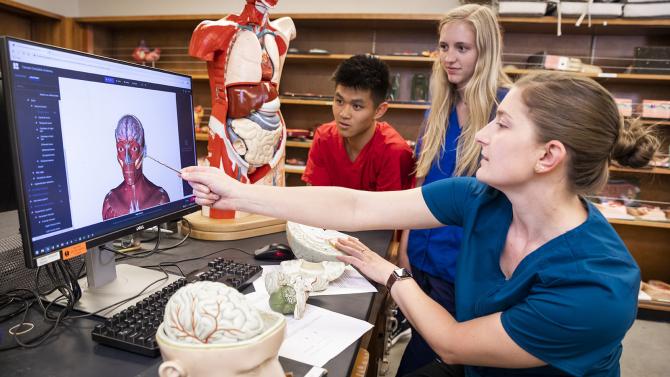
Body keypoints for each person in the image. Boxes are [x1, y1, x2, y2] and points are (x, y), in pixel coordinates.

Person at [182, 71, 659, 376]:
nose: (484, 135)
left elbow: (453, 344)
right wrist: (239, 191)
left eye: (503, 124)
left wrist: (391, 274)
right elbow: (357, 208)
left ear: (548, 156)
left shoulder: (597, 287)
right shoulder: (479, 199)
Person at [396, 5, 511, 373]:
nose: (449, 57)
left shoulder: (506, 108)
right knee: (422, 342)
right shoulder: (440, 107)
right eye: (444, 46)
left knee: (442, 357)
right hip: (425, 257)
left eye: (462, 48)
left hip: (468, 263)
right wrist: (405, 242)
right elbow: (422, 181)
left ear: (485, 51)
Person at [189, 0, 296, 219]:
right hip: (234, 136)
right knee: (224, 213)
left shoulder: (280, 31)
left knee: (272, 215)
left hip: (272, 138)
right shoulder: (219, 29)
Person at [301, 54, 415, 191]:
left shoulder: (394, 152)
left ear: (379, 110)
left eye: (357, 106)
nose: (343, 114)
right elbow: (314, 199)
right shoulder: (324, 137)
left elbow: (389, 211)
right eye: (339, 101)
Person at [102, 115, 169, 220]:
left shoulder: (161, 198)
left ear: (144, 150)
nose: (127, 159)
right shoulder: (109, 203)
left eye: (134, 148)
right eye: (121, 149)